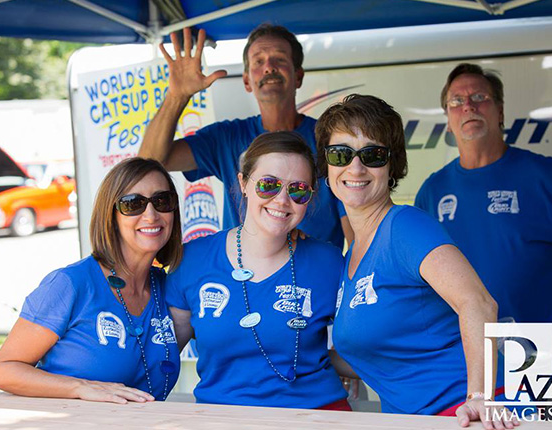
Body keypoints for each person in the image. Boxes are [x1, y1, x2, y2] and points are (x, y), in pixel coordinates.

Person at [316, 94, 517, 428]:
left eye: (373, 154)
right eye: (341, 154)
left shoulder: (405, 226)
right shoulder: (353, 254)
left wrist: (480, 399)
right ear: (326, 166)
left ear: (392, 165)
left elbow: (478, 303)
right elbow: (385, 350)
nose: (355, 167)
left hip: (468, 416)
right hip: (418, 420)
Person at [415, 63, 552, 405]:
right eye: (457, 101)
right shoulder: (433, 191)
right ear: (448, 118)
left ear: (500, 110)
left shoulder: (548, 178)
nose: (469, 106)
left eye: (479, 97)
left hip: (530, 354)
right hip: (457, 360)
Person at [165, 131, 350, 409]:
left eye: (298, 189)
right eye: (268, 185)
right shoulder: (193, 260)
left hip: (317, 415)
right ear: (243, 183)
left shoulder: (330, 262)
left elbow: (369, 343)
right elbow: (160, 359)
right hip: (223, 420)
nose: (282, 200)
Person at [0, 158, 182, 403]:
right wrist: (80, 387)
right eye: (133, 204)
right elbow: (1, 370)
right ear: (110, 215)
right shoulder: (70, 284)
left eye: (162, 201)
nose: (151, 214)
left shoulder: (168, 287)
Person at [138, 24, 351, 248]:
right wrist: (177, 96)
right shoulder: (226, 137)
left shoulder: (330, 141)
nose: (269, 67)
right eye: (258, 61)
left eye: (279, 59)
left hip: (317, 279)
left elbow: (353, 223)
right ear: (247, 81)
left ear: (298, 76)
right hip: (242, 278)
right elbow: (148, 163)